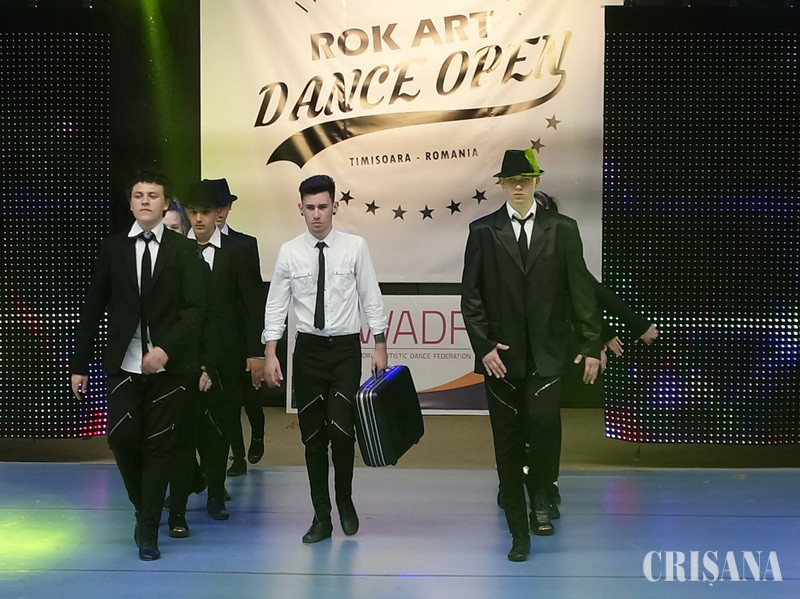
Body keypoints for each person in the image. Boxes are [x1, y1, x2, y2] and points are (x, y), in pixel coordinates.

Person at [460, 150, 602, 562]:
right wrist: (484, 345)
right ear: (502, 184)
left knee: (542, 427)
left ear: (537, 181)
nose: (519, 185)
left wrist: (590, 344)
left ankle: (541, 494)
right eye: (512, 179)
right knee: (506, 440)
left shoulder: (563, 229)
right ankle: (517, 531)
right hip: (501, 357)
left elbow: (580, 291)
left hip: (548, 353)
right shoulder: (483, 231)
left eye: (526, 178)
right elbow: (471, 295)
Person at [70, 168, 207, 561]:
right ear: (130, 203)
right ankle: (143, 508)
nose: (145, 201)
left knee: (160, 445)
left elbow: (196, 310)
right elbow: (93, 307)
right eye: (139, 195)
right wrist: (79, 365)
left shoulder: (183, 250)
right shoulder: (112, 248)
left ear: (165, 204)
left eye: (153, 195)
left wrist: (166, 348)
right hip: (124, 363)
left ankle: (148, 531)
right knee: (122, 439)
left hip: (169, 367)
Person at [262, 174, 388, 543]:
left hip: (345, 351)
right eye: (310, 207)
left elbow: (370, 296)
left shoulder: (355, 247)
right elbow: (276, 305)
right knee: (313, 437)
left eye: (323, 206)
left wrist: (380, 344)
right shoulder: (289, 252)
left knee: (342, 431)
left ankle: (344, 499)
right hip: (309, 352)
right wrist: (270, 351)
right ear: (300, 209)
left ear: (335, 206)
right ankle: (321, 516)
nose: (316, 214)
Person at [210, 178, 267, 476]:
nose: (219, 212)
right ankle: (238, 456)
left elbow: (253, 299)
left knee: (251, 397)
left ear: (230, 207)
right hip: (217, 340)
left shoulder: (245, 244)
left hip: (243, 335)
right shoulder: (192, 246)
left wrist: (256, 349)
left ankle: (257, 434)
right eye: (214, 206)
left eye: (224, 205)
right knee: (227, 402)